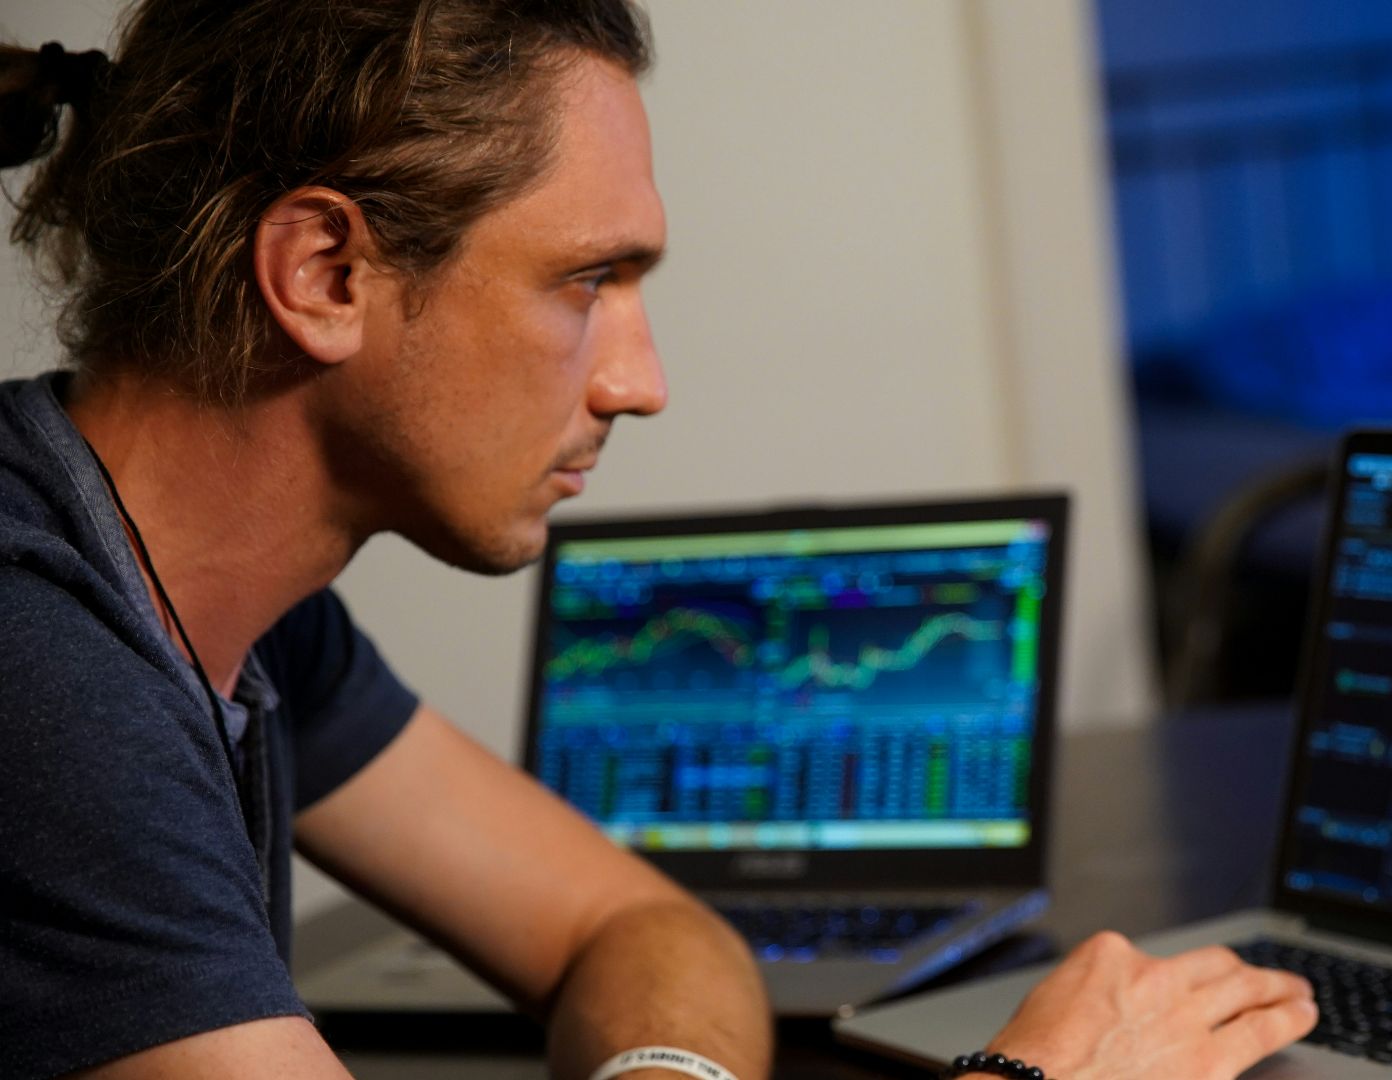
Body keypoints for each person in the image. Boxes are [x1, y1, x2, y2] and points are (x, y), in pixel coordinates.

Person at [0, 3, 1320, 1078]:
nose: (640, 381)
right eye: (587, 281)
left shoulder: (242, 613)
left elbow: (633, 924)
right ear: (324, 275)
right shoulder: (40, 663)